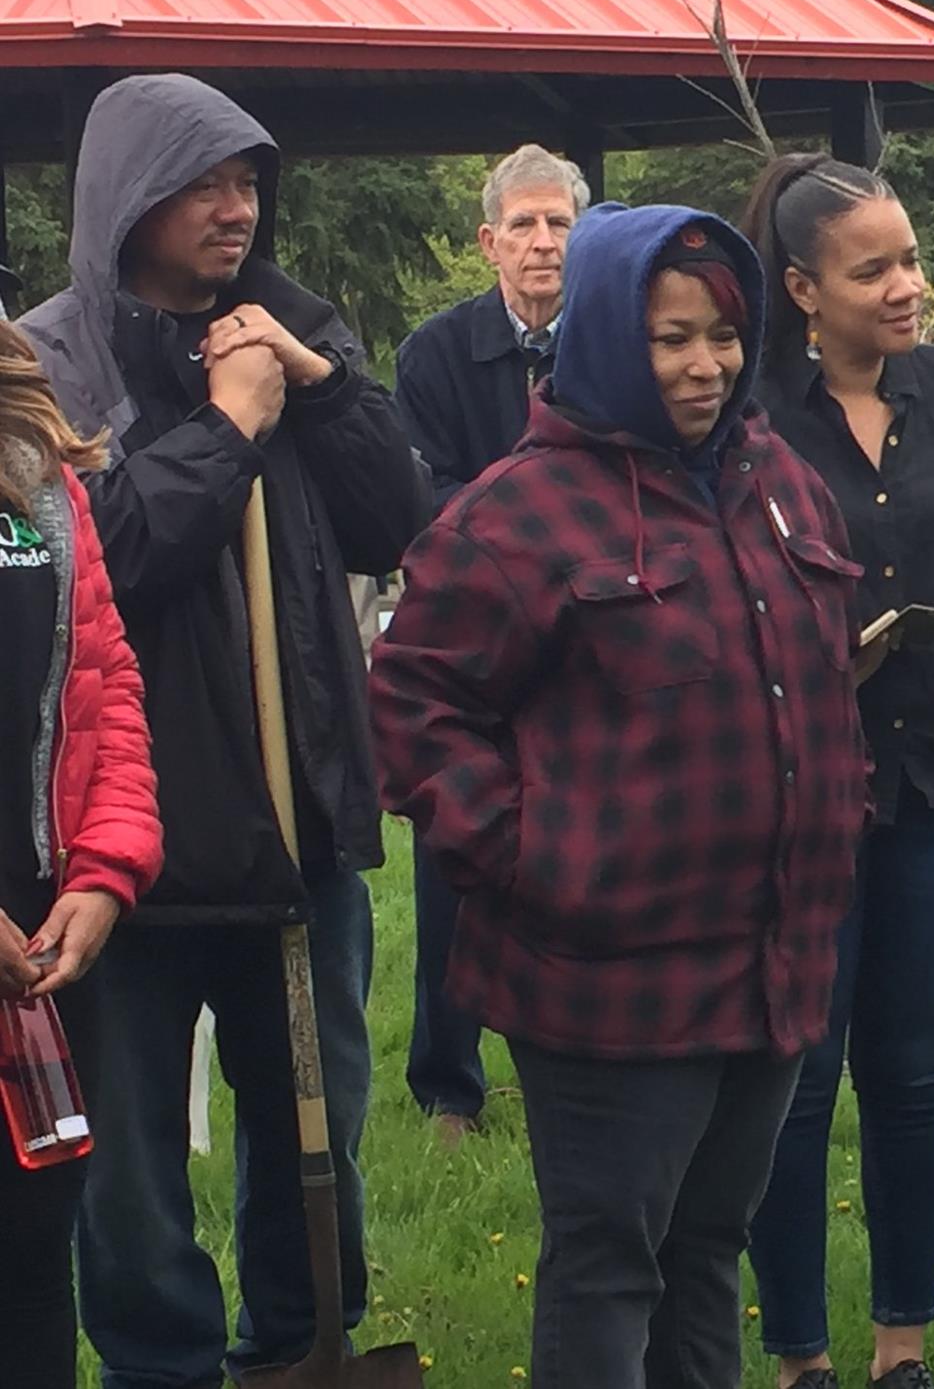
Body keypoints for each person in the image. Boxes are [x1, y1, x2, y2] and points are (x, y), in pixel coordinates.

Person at [370, 203, 868, 1388]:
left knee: (709, 1251)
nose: (706, 367)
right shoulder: (513, 517)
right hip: (608, 984)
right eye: (669, 340)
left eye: (724, 337)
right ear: (601, 337)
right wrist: (538, 857)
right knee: (609, 1265)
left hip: (772, 958)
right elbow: (413, 709)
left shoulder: (780, 478)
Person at [17, 73, 431, 1388]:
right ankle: (167, 1366)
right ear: (127, 192)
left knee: (317, 1125)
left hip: (295, 815)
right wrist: (230, 423)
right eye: (204, 182)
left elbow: (394, 522)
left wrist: (313, 391)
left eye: (249, 183)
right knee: (131, 1169)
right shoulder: (51, 362)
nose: (234, 208)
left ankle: (301, 1345)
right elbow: (108, 555)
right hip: (132, 855)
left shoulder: (292, 325)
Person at [738, 155, 934, 1389]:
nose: (907, 287)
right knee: (800, 1078)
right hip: (803, 799)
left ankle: (900, 1352)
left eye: (912, 260)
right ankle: (799, 1357)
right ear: (803, 290)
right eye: (872, 269)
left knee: (913, 1074)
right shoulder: (751, 413)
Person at [391, 142, 589, 1144]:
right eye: (525, 224)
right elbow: (416, 501)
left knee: (584, 854)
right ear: (489, 243)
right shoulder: (434, 353)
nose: (545, 243)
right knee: (455, 865)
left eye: (560, 224)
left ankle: (578, 1057)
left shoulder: (616, 340)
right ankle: (447, 1087)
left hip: (588, 645)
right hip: (468, 647)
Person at [0, 318, 162, 1389]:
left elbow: (110, 694)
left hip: (44, 948)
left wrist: (106, 872)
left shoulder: (45, 489)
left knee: (30, 1253)